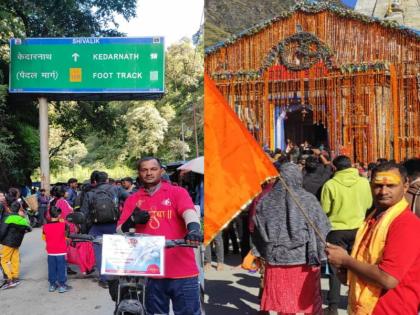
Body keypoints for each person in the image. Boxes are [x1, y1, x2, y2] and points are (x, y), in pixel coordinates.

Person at [326, 161, 420, 314]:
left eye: (391, 185)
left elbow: (388, 278)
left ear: (405, 186)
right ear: (370, 186)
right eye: (378, 185)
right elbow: (360, 270)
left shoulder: (406, 223)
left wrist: (346, 260)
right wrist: (344, 268)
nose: (383, 191)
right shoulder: (372, 219)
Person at [117, 157, 202, 315]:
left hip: (182, 270)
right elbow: (120, 231)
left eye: (153, 169)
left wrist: (194, 229)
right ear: (139, 173)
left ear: (161, 171)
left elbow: (188, 212)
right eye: (144, 170)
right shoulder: (133, 199)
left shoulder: (177, 192)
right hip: (150, 272)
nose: (149, 173)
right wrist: (132, 220)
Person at [252, 163, 331, 314]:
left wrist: (261, 252)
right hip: (304, 259)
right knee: (309, 302)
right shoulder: (308, 199)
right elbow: (322, 227)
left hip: (276, 259)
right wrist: (321, 253)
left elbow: (258, 230)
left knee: (284, 304)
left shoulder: (265, 201)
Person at [321, 155, 373, 315]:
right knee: (358, 266)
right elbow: (369, 204)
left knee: (336, 268)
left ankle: (333, 306)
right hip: (359, 228)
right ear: (351, 166)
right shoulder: (364, 183)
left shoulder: (330, 185)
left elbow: (325, 210)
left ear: (335, 168)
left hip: (336, 230)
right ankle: (357, 300)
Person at [80, 171, 127, 288]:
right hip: (114, 226)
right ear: (107, 180)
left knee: (100, 254)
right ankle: (118, 277)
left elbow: (84, 213)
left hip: (97, 227)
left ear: (95, 181)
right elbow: (130, 199)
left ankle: (104, 279)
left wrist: (84, 230)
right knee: (117, 251)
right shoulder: (116, 189)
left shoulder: (89, 193)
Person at [0, 196, 32, 289]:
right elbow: (29, 229)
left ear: (9, 208)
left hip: (7, 242)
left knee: (3, 260)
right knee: (15, 259)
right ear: (19, 209)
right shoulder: (23, 220)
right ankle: (15, 277)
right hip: (17, 243)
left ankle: (9, 280)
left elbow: (2, 231)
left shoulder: (8, 218)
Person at [42, 205, 72, 293]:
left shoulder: (45, 226)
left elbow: (44, 238)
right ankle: (62, 285)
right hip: (61, 251)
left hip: (50, 251)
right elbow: (66, 236)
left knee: (51, 268)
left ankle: (52, 285)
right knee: (61, 268)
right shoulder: (63, 225)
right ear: (59, 215)